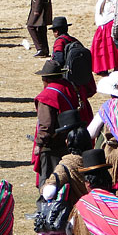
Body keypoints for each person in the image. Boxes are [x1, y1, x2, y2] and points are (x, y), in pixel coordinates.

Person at [31, 59, 93, 188]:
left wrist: (39, 143)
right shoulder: (71, 88)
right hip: (73, 141)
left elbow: (46, 125)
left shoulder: (47, 96)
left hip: (53, 146)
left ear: (45, 79)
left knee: (49, 183)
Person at [91, 0, 118, 76]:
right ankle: (102, 68)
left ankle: (117, 67)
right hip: (102, 26)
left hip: (110, 25)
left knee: (112, 48)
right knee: (100, 47)